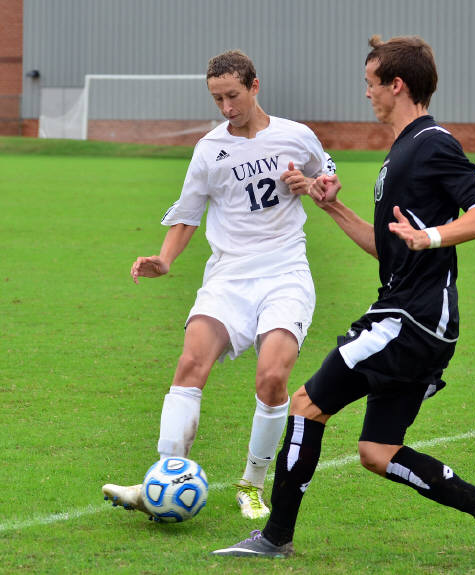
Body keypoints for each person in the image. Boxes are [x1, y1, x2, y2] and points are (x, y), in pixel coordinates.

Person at [211, 36, 475, 567]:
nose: (366, 93)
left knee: (305, 405)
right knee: (377, 452)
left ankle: (274, 537)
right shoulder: (402, 151)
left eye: (371, 83)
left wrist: (430, 237)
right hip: (418, 321)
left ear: (397, 85)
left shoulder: (430, 142)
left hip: (409, 319)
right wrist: (332, 207)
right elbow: (387, 247)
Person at [102, 50, 335, 520]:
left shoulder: (296, 135)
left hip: (285, 274)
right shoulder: (209, 149)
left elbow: (326, 178)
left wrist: (315, 185)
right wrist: (165, 260)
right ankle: (162, 479)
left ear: (254, 86)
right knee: (191, 362)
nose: (227, 107)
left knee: (272, 376)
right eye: (217, 99)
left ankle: (252, 484)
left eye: (233, 96)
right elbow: (188, 212)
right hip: (228, 276)